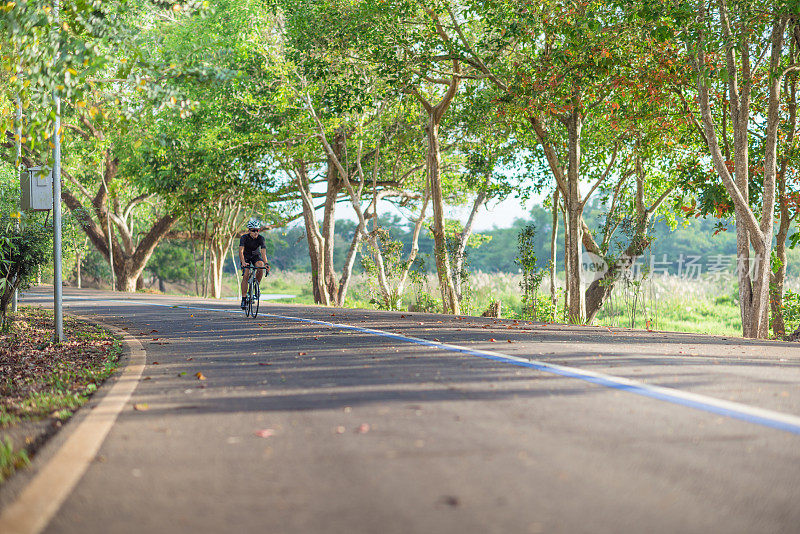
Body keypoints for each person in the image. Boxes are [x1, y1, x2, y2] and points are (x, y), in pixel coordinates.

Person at [239, 219, 270, 309]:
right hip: (246, 257)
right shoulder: (244, 238)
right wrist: (243, 262)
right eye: (253, 230)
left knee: (260, 266)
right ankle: (244, 299)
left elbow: (263, 252)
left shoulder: (261, 238)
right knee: (246, 274)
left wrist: (266, 263)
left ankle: (256, 286)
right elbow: (241, 251)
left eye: (257, 230)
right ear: (249, 231)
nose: (256, 232)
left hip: (256, 256)